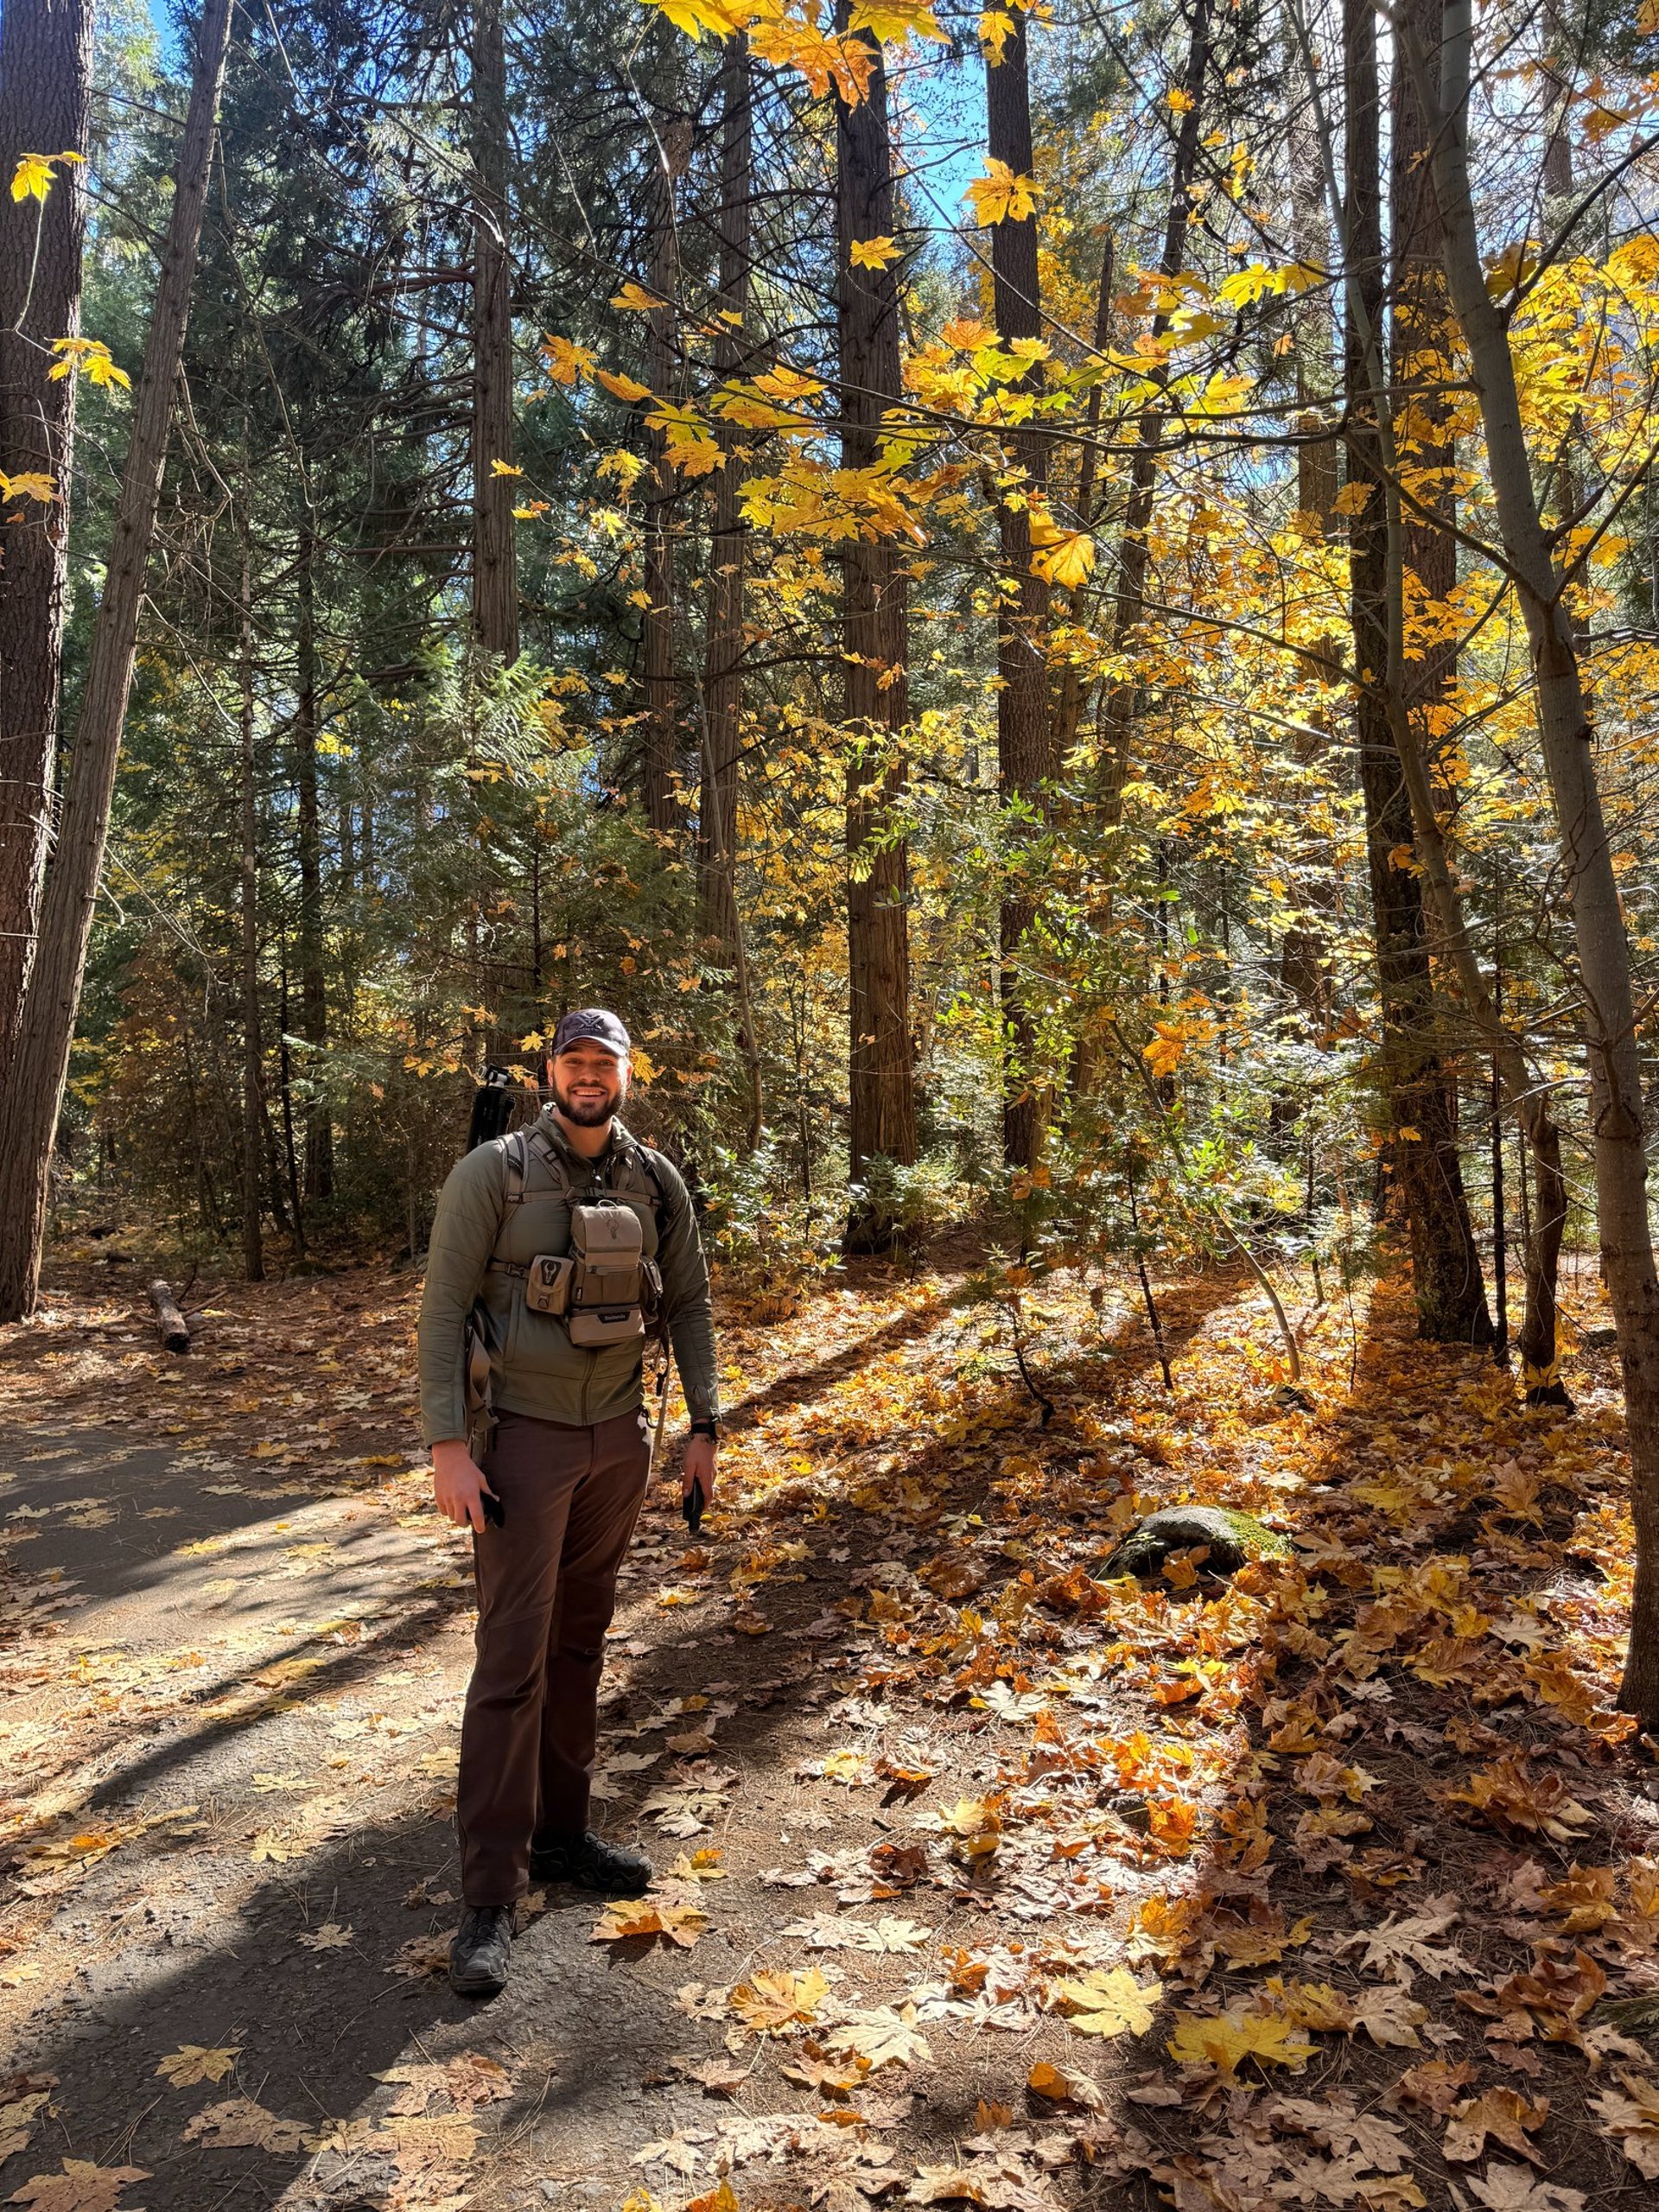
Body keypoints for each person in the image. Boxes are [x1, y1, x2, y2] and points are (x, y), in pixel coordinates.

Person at [417, 1007, 720, 1998]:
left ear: (629, 1072)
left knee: (580, 1644)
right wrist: (450, 1448)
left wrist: (703, 1424)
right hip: (520, 1443)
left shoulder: (654, 1178)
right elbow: (442, 1306)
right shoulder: (493, 1172)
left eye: (606, 1062)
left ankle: (562, 1833)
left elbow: (689, 1303)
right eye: (574, 1061)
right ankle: (489, 1895)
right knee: (511, 1658)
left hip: (617, 1446)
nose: (590, 1077)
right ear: (551, 1070)